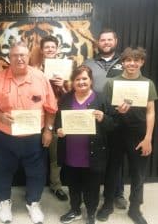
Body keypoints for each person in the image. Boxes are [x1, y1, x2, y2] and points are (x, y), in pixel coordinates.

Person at [0, 41, 58, 224]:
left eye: (23, 55)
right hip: (5, 137)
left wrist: (48, 131)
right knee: (1, 172)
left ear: (28, 56)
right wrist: (0, 116)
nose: (19, 58)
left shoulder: (40, 78)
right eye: (15, 55)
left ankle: (33, 203)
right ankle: (4, 202)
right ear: (9, 58)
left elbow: (51, 108)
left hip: (34, 138)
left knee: (37, 172)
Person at [99, 47, 157, 224]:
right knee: (111, 171)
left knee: (138, 173)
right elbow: (106, 111)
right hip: (115, 132)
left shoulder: (148, 83)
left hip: (139, 134)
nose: (132, 63)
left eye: (136, 60)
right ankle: (108, 204)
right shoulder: (111, 83)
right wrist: (116, 111)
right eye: (128, 60)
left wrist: (148, 138)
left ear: (141, 62)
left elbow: (150, 112)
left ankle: (134, 209)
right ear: (122, 62)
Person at [55, 65, 114, 224]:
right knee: (73, 185)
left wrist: (103, 118)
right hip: (71, 152)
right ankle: (75, 210)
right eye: (77, 79)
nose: (81, 82)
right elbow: (57, 121)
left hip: (93, 154)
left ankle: (91, 213)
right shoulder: (66, 98)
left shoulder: (101, 99)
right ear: (73, 82)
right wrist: (58, 129)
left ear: (91, 80)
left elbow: (114, 124)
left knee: (92, 187)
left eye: (84, 79)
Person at [83, 28, 128, 210]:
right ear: (97, 43)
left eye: (110, 39)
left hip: (119, 114)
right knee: (94, 153)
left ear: (115, 41)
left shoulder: (126, 62)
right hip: (95, 114)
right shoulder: (88, 62)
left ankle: (117, 193)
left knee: (116, 156)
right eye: (103, 40)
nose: (106, 42)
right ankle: (92, 191)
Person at [32, 35, 69, 201]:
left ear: (57, 49)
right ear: (42, 50)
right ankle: (35, 186)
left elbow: (73, 97)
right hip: (39, 117)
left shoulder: (67, 69)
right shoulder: (34, 70)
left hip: (59, 118)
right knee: (36, 155)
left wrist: (63, 87)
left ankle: (56, 185)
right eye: (46, 47)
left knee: (56, 155)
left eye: (52, 47)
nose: (49, 50)